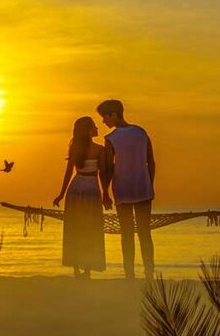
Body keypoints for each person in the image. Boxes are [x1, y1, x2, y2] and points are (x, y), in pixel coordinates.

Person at [97, 99, 155, 280]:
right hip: (143, 188)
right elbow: (151, 162)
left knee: (127, 233)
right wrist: (149, 184)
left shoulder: (111, 139)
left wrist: (104, 192)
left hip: (122, 188)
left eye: (104, 117)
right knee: (145, 232)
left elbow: (107, 169)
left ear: (113, 114)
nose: (103, 122)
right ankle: (149, 273)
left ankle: (129, 273)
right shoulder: (141, 132)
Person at [53, 116, 108, 279]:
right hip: (91, 190)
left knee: (75, 228)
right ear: (89, 130)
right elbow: (103, 175)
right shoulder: (100, 150)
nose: (97, 128)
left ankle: (77, 268)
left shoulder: (76, 149)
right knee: (90, 228)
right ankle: (87, 269)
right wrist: (106, 195)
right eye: (94, 126)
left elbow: (69, 173)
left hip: (76, 189)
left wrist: (62, 194)